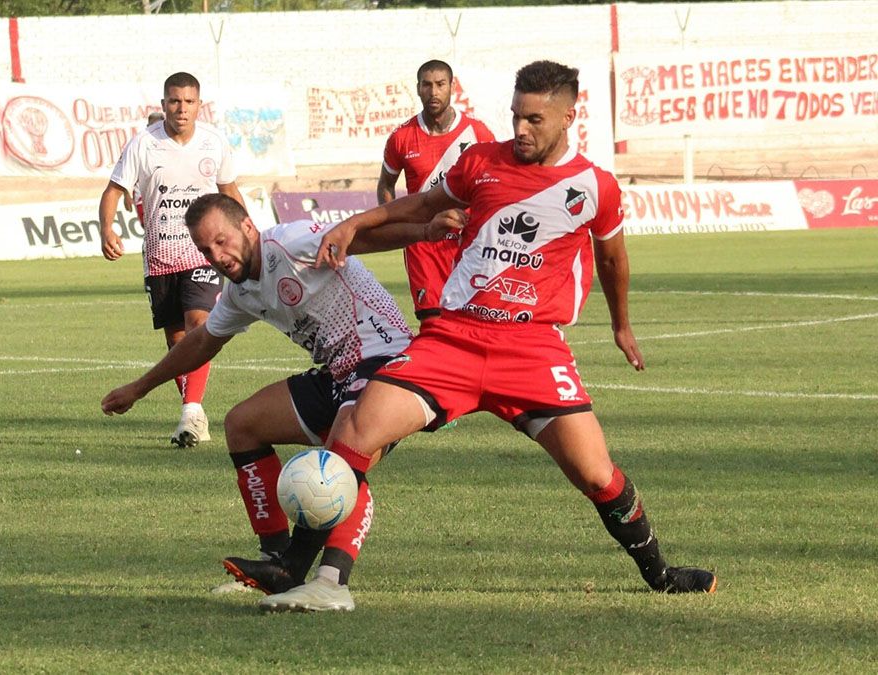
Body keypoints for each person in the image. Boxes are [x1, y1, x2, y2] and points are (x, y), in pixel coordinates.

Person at [256, 60, 717, 612]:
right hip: (451, 340)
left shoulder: (596, 187)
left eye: (534, 120)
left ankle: (660, 573)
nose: (520, 129)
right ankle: (314, 578)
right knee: (354, 430)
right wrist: (355, 223)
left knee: (597, 475)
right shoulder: (480, 162)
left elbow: (613, 258)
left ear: (569, 117)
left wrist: (622, 324)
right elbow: (422, 204)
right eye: (516, 116)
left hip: (532, 349)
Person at [101, 193, 460, 608]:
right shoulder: (240, 292)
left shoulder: (291, 243)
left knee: (340, 460)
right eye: (205, 249)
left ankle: (330, 583)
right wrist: (139, 388)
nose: (217, 256)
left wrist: (425, 232)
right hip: (337, 373)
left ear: (247, 227)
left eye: (221, 241)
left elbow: (359, 237)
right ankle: (275, 563)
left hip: (386, 362)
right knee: (242, 424)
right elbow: (201, 342)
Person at [98, 73, 245, 448]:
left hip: (203, 252)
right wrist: (106, 230)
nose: (182, 109)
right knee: (178, 340)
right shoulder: (144, 144)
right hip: (161, 256)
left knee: (200, 325)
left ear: (199, 105)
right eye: (175, 101)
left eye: (189, 102)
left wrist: (249, 235)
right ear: (163, 104)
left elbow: (229, 190)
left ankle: (190, 411)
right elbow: (113, 190)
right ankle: (193, 413)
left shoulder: (213, 142)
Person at [378, 59, 496, 326]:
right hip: (423, 243)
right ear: (418, 88)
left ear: (452, 87)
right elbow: (386, 185)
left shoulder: (477, 133)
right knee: (432, 323)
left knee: (471, 321)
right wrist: (396, 226)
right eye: (427, 85)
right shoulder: (402, 137)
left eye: (440, 84)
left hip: (466, 241)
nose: (433, 92)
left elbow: (494, 184)